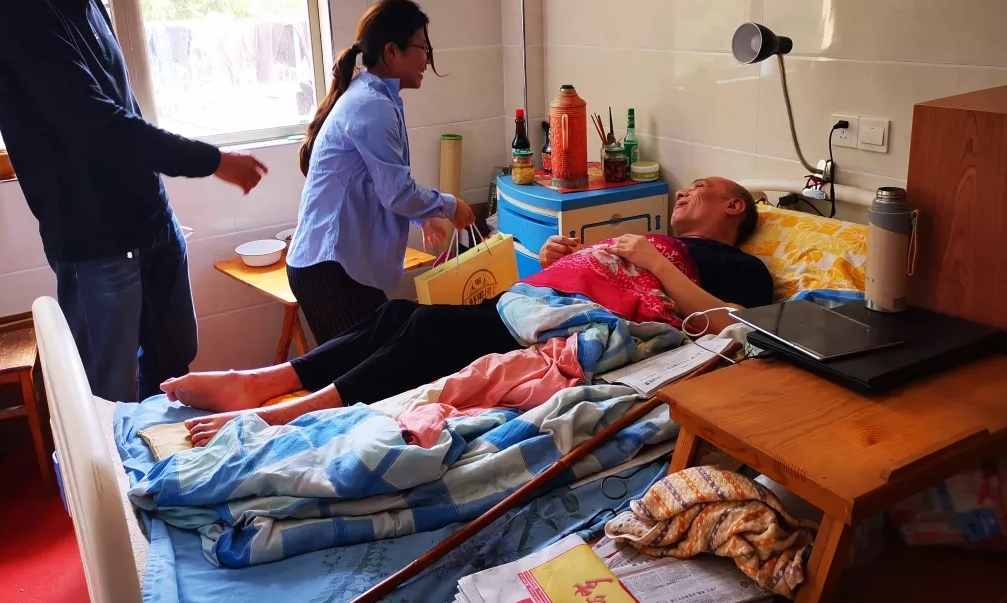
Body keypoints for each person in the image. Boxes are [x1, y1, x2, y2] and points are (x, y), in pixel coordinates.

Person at [164, 177, 772, 445]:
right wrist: (565, 257)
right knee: (395, 316)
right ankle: (263, 380)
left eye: (702, 188)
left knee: (426, 327)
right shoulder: (652, 242)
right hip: (536, 302)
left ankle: (286, 412)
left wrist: (653, 262)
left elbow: (734, 323)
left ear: (734, 207)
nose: (685, 190)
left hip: (567, 329)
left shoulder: (737, 265)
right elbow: (608, 273)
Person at [0, 0, 268, 402]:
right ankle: (120, 464)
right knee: (108, 396)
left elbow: (125, 109)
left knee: (175, 366)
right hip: (95, 243)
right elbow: (95, 124)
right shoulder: (11, 4)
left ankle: (170, 459)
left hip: (152, 223)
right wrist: (213, 161)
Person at [286, 0, 475, 345]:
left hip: (333, 264)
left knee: (377, 362)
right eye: (422, 47)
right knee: (368, 368)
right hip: (327, 266)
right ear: (391, 52)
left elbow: (381, 183)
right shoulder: (372, 105)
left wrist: (423, 216)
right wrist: (450, 206)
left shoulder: (373, 98)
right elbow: (397, 192)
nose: (427, 59)